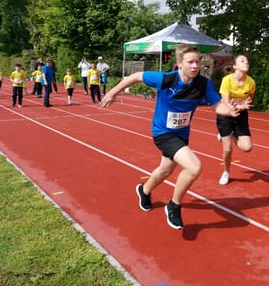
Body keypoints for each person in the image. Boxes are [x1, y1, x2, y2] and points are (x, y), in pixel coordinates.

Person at [100, 43, 240, 230]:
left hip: (182, 134)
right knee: (194, 167)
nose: (195, 66)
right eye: (190, 62)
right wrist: (112, 92)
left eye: (197, 62)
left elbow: (217, 106)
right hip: (162, 132)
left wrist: (229, 111)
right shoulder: (166, 79)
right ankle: (174, 205)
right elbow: (135, 76)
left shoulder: (203, 84)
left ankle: (144, 190)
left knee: (165, 170)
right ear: (179, 63)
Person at [216, 54, 255, 185]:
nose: (246, 63)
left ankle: (231, 134)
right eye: (242, 61)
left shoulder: (251, 82)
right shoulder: (227, 80)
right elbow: (227, 103)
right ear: (234, 66)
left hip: (241, 115)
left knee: (247, 148)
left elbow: (249, 99)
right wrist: (239, 106)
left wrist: (243, 106)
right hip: (226, 114)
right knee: (227, 149)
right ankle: (226, 171)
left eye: (247, 61)